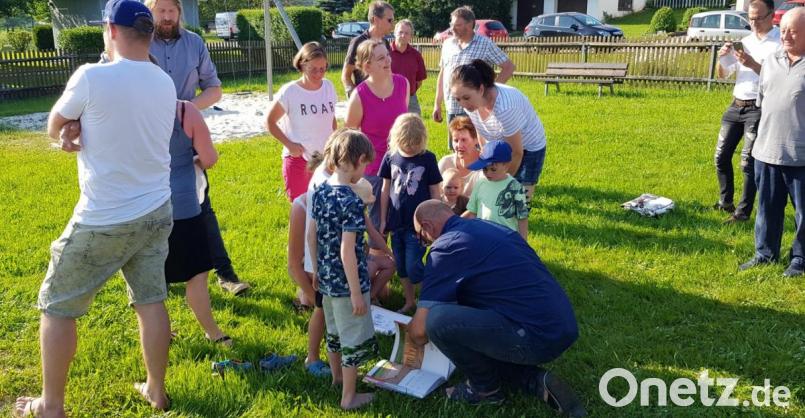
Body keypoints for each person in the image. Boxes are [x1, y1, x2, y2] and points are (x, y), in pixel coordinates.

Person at [14, 2, 176, 416]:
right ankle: (156, 392)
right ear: (149, 33)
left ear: (111, 29)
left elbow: (53, 122)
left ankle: (50, 406)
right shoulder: (164, 82)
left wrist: (68, 130)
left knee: (56, 305)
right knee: (151, 299)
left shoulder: (91, 76)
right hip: (157, 210)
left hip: (105, 216)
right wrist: (77, 129)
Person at [408, 201, 584, 416]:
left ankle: (484, 390)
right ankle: (534, 380)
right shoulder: (488, 226)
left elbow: (419, 333)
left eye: (421, 237)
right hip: (560, 326)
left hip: (534, 335)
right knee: (460, 313)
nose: (424, 241)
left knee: (438, 321)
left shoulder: (445, 246)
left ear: (427, 226)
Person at [145, 0, 250, 295]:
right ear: (150, 11)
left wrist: (185, 109)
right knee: (150, 208)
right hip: (147, 138)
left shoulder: (194, 43)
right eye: (160, 10)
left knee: (202, 206)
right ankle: (156, 279)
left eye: (171, 10)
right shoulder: (136, 41)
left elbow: (214, 88)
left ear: (179, 12)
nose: (166, 17)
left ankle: (225, 273)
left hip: (187, 135)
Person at [309, 129, 379, 410]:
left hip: (326, 280)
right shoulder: (351, 202)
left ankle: (337, 379)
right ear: (359, 159)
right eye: (365, 165)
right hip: (347, 284)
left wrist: (316, 270)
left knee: (334, 333)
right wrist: (356, 293)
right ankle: (349, 397)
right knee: (352, 339)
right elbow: (347, 251)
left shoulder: (321, 191)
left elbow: (311, 236)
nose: (365, 171)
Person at [740, 7, 805, 277]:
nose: (786, 35)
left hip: (800, 155)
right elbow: (763, 102)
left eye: (794, 31)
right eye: (784, 29)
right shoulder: (771, 61)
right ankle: (764, 254)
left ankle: (800, 260)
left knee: (803, 214)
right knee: (767, 208)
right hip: (766, 151)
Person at [163, 100, 232, 346]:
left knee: (150, 279)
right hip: (182, 205)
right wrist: (188, 163)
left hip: (137, 205)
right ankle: (214, 334)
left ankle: (160, 333)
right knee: (197, 274)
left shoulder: (119, 111)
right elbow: (209, 158)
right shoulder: (183, 110)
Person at [713, 0, 781, 223]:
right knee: (721, 156)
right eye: (750, 18)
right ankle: (725, 202)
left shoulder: (780, 41)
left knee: (747, 162)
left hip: (758, 107)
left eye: (758, 18)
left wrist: (753, 64)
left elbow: (780, 78)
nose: (753, 23)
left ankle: (742, 213)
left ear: (771, 15)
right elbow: (723, 75)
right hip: (736, 104)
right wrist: (722, 59)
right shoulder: (745, 41)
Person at [452, 59, 547, 201]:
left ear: (481, 89)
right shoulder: (472, 103)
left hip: (529, 148)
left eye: (466, 98)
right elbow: (481, 134)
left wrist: (502, 182)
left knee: (519, 197)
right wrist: (488, 159)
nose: (463, 104)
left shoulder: (505, 108)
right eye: (457, 99)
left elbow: (516, 152)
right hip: (501, 142)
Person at [379, 114, 442, 313]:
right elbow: (384, 190)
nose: (411, 148)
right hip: (396, 222)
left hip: (420, 225)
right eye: (406, 144)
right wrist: (382, 219)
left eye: (415, 144)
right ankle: (410, 301)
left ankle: (429, 301)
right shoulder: (390, 157)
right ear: (397, 139)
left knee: (414, 265)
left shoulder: (428, 159)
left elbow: (434, 191)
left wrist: (436, 220)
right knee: (401, 266)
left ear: (422, 139)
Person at [345, 39, 410, 229]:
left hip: (402, 164)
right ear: (367, 66)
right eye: (381, 58)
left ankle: (397, 256)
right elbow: (348, 135)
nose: (388, 61)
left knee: (400, 219)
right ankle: (376, 256)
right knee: (377, 224)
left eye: (388, 55)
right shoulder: (360, 95)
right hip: (374, 169)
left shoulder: (403, 84)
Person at [432, 6, 515, 150]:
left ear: (470, 25)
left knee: (477, 147)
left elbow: (509, 67)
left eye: (457, 25)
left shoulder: (484, 44)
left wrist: (488, 91)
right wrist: (437, 103)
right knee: (457, 147)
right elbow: (443, 73)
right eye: (451, 24)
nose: (452, 29)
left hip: (477, 108)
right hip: (453, 106)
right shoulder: (447, 44)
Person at [267, 42, 338, 201]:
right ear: (302, 64)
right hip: (299, 161)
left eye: (323, 69)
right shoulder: (290, 91)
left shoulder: (329, 87)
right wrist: (289, 145)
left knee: (326, 208)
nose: (318, 74)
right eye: (313, 69)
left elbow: (331, 118)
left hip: (325, 159)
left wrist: (334, 142)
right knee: (302, 209)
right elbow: (269, 122)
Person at [463, 141, 529, 240]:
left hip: (507, 238)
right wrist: (456, 223)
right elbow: (472, 211)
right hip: (483, 236)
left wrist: (523, 242)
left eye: (493, 169)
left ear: (506, 165)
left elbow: (522, 217)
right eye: (485, 169)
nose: (488, 173)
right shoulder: (480, 184)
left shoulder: (515, 187)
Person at [342, 1, 394, 98]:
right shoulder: (358, 42)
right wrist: (356, 98)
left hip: (383, 98)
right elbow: (346, 76)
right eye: (389, 20)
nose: (392, 24)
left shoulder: (386, 43)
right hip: (365, 100)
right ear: (376, 20)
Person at [438, 115, 483, 196]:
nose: (459, 145)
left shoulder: (485, 167)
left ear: (476, 139)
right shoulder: (445, 163)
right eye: (455, 140)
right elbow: (436, 194)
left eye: (464, 140)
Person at [390, 19, 427, 115]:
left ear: (411, 36)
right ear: (394, 33)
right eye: (400, 32)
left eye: (407, 33)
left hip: (410, 99)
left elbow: (419, 81)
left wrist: (409, 92)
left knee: (414, 127)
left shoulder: (416, 55)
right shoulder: (385, 52)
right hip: (388, 98)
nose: (403, 35)